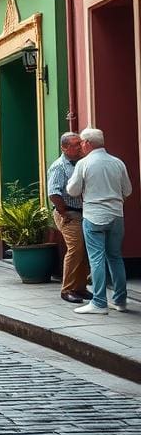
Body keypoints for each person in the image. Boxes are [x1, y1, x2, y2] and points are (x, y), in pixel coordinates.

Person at [67, 127, 133, 315]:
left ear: (87, 143)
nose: (80, 146)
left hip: (94, 215)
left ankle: (99, 302)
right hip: (116, 215)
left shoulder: (84, 164)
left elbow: (72, 190)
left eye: (81, 142)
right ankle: (120, 300)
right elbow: (127, 190)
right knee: (115, 257)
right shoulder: (117, 162)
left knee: (96, 259)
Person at [47, 132, 91, 304]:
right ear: (64, 148)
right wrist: (63, 211)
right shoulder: (59, 166)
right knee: (75, 249)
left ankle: (80, 287)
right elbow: (53, 193)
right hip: (69, 213)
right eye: (75, 144)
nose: (80, 146)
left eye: (80, 143)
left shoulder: (81, 162)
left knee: (82, 249)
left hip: (82, 212)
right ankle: (67, 289)